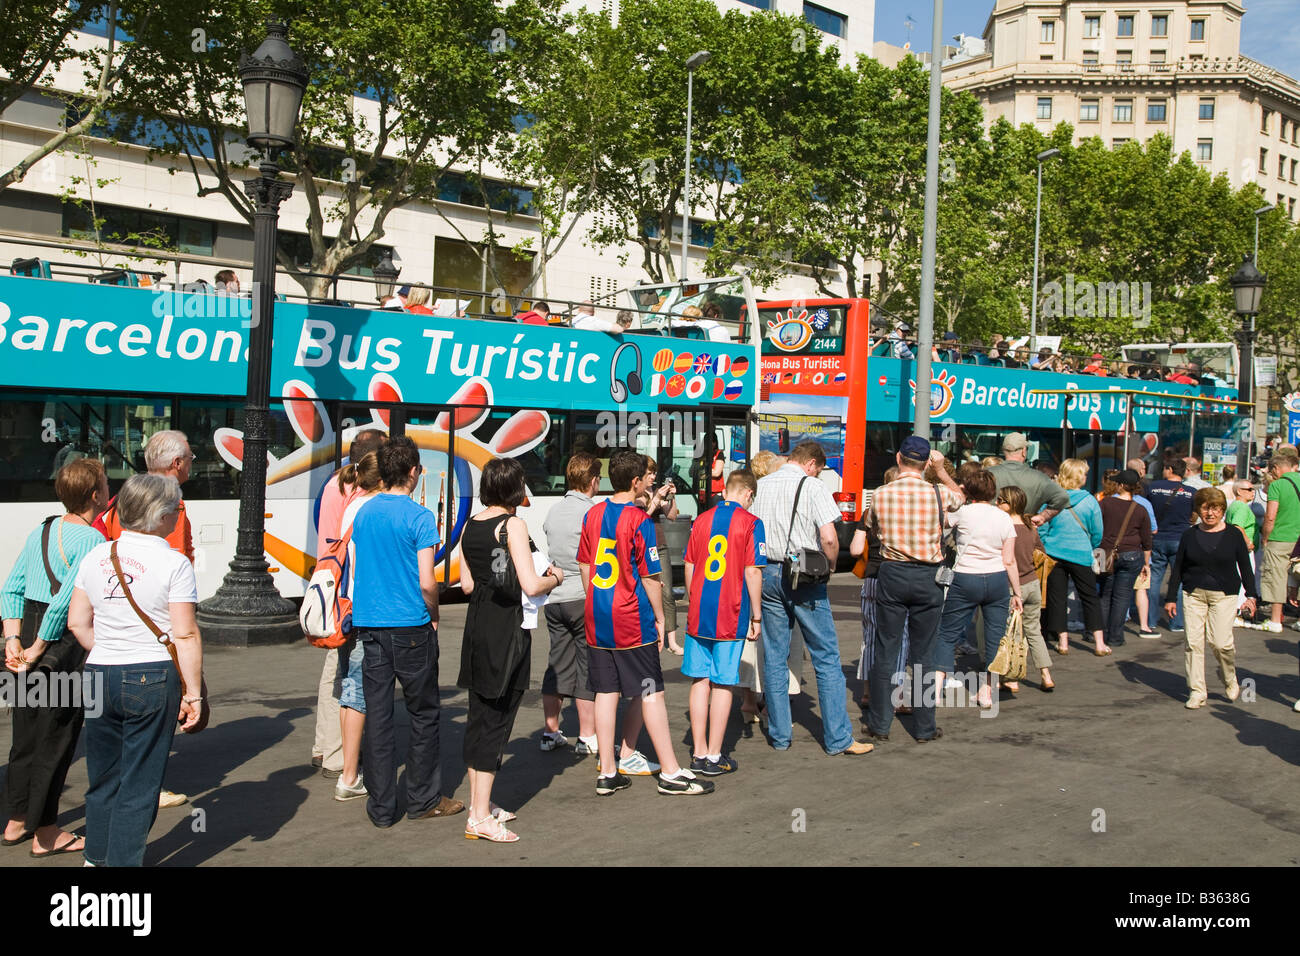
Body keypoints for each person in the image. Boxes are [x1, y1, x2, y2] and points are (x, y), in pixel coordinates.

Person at [66, 474, 204, 866]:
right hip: (150, 673)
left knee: (104, 775)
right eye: (177, 507)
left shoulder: (96, 555)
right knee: (140, 782)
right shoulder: (174, 563)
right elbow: (186, 633)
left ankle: (96, 857)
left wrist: (109, 648)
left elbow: (78, 622)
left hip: (98, 673)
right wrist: (192, 693)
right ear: (160, 516)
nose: (179, 514)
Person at [579, 448, 713, 795]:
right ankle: (669, 771)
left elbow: (584, 564)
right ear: (637, 482)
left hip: (598, 614)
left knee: (606, 691)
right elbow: (652, 577)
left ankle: (608, 770)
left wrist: (595, 599)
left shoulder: (593, 514)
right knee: (650, 689)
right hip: (629, 616)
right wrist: (660, 618)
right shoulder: (638, 520)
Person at [351, 436, 463, 827]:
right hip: (411, 624)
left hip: (371, 624)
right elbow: (427, 582)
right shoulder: (419, 517)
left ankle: (381, 808)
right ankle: (423, 799)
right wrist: (434, 615)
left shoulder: (364, 513)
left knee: (379, 717)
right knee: (423, 714)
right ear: (413, 472)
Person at [1, 459, 108, 857]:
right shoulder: (94, 541)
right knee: (56, 739)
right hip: (58, 647)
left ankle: (15, 822)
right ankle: (46, 833)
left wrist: (13, 640)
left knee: (25, 737)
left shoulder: (41, 529)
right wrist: (38, 648)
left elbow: (10, 588)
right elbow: (65, 604)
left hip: (25, 632)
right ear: (96, 495)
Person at [458, 458, 563, 842]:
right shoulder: (513, 525)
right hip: (506, 630)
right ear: (514, 489)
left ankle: (479, 805)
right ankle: (480, 816)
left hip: (478, 625)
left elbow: (466, 584)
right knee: (497, 719)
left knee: (480, 716)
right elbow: (531, 585)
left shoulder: (472, 524)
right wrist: (556, 576)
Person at [92, 429, 194, 809]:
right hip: (155, 630)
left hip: (114, 629)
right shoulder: (171, 502)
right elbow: (177, 560)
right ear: (176, 463)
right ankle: (149, 783)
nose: (191, 464)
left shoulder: (128, 495)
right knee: (157, 709)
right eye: (190, 458)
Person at [752, 442, 873, 756]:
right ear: (811, 464)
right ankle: (838, 739)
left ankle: (779, 735)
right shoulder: (813, 486)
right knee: (826, 657)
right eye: (819, 468)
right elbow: (829, 537)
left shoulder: (761, 486)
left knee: (775, 657)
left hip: (767, 573)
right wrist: (831, 566)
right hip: (803, 576)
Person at [866, 438, 964, 742]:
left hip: (893, 573)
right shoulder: (938, 492)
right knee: (925, 653)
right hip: (928, 577)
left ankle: (880, 725)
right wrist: (942, 470)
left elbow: (872, 526)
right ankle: (924, 727)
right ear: (925, 463)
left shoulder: (881, 494)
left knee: (886, 649)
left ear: (898, 458)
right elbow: (961, 498)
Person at [310, 428, 387, 782]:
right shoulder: (356, 492)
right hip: (345, 591)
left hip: (331, 582)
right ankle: (337, 755)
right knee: (342, 676)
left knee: (335, 671)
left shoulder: (337, 483)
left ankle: (325, 746)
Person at [682, 469, 765, 775]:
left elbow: (689, 564)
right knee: (723, 682)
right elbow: (753, 572)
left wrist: (694, 601)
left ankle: (698, 750)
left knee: (699, 679)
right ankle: (714, 755)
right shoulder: (752, 523)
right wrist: (756, 616)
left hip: (700, 611)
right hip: (731, 612)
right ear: (748, 494)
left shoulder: (701, 519)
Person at [934, 466, 1022, 710]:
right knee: (995, 636)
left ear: (968, 490)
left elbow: (941, 524)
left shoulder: (963, 513)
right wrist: (1017, 593)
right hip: (996, 579)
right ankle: (987, 691)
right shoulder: (1004, 518)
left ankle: (936, 688)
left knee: (947, 633)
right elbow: (1009, 560)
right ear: (993, 492)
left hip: (965, 577)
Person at [1165, 488, 1257, 708]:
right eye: (1205, 508)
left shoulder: (1234, 535)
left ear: (1222, 510)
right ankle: (1197, 691)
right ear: (1198, 510)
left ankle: (1229, 678)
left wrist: (1252, 597)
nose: (1210, 513)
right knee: (1193, 644)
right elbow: (1178, 567)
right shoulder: (1189, 535)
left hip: (1224, 596)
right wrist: (1170, 597)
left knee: (1221, 643)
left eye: (1215, 508)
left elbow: (1245, 567)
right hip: (1193, 594)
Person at [331, 449, 385, 802]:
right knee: (358, 691)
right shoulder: (371, 508)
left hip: (348, 606)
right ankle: (350, 774)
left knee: (351, 690)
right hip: (368, 607)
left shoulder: (352, 505)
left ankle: (351, 766)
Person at [540, 452, 601, 756]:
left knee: (557, 663)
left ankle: (550, 732)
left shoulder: (554, 510)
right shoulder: (592, 513)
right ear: (592, 481)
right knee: (586, 666)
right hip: (581, 595)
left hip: (555, 597)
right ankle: (587, 736)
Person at [850, 467, 910, 709]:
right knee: (901, 636)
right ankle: (898, 696)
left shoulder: (869, 512)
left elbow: (854, 550)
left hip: (872, 579)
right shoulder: (906, 511)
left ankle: (867, 691)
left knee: (871, 636)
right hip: (899, 577)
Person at [1038, 458, 1107, 655]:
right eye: (1084, 473)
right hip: (1081, 553)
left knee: (1057, 598)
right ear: (1079, 477)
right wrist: (1090, 546)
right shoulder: (1089, 501)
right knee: (1090, 597)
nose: (1086, 476)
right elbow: (1097, 531)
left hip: (1054, 553)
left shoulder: (1052, 498)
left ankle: (1063, 641)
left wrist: (1046, 543)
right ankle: (1099, 643)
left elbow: (1042, 524)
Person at [997, 485, 1055, 691]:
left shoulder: (1004, 529)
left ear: (1009, 504)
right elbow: (1041, 552)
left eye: (1000, 500)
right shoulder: (1030, 526)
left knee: (1010, 632)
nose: (997, 503)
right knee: (1034, 631)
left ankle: (1011, 678)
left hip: (1013, 587)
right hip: (1033, 583)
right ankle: (1046, 674)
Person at [1097, 469, 1152, 650]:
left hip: (1106, 553)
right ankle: (1115, 636)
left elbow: (1097, 528)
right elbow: (1146, 540)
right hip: (1132, 554)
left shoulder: (1106, 503)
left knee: (1105, 594)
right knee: (1122, 597)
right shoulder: (1141, 509)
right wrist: (1146, 563)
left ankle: (1098, 634)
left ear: (1120, 485)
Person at [1147, 458, 1197, 632]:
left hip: (1157, 537)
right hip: (1181, 539)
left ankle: (1150, 621)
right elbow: (1194, 516)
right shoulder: (1191, 492)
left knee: (1154, 580)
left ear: (1169, 469)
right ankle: (1176, 622)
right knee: (1179, 580)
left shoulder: (1153, 487)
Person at [1260, 446, 1300, 634]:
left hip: (1280, 538)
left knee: (1277, 577)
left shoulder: (1277, 485)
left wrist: (1265, 538)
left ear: (1276, 469)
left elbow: (1270, 517)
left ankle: (1276, 619)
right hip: (1299, 539)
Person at [989, 432, 1069, 524]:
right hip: (1024, 531)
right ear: (1023, 451)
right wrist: (1043, 516)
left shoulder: (986, 475)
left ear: (1004, 451)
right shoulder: (1039, 478)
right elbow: (1063, 497)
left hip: (992, 534)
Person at [1227, 478, 1260, 627]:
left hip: (1234, 548)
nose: (1253, 492)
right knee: (1243, 580)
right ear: (1239, 491)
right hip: (1242, 550)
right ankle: (1236, 613)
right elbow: (1238, 527)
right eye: (1249, 489)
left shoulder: (1236, 505)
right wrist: (1248, 542)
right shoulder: (1241, 507)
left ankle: (1235, 613)